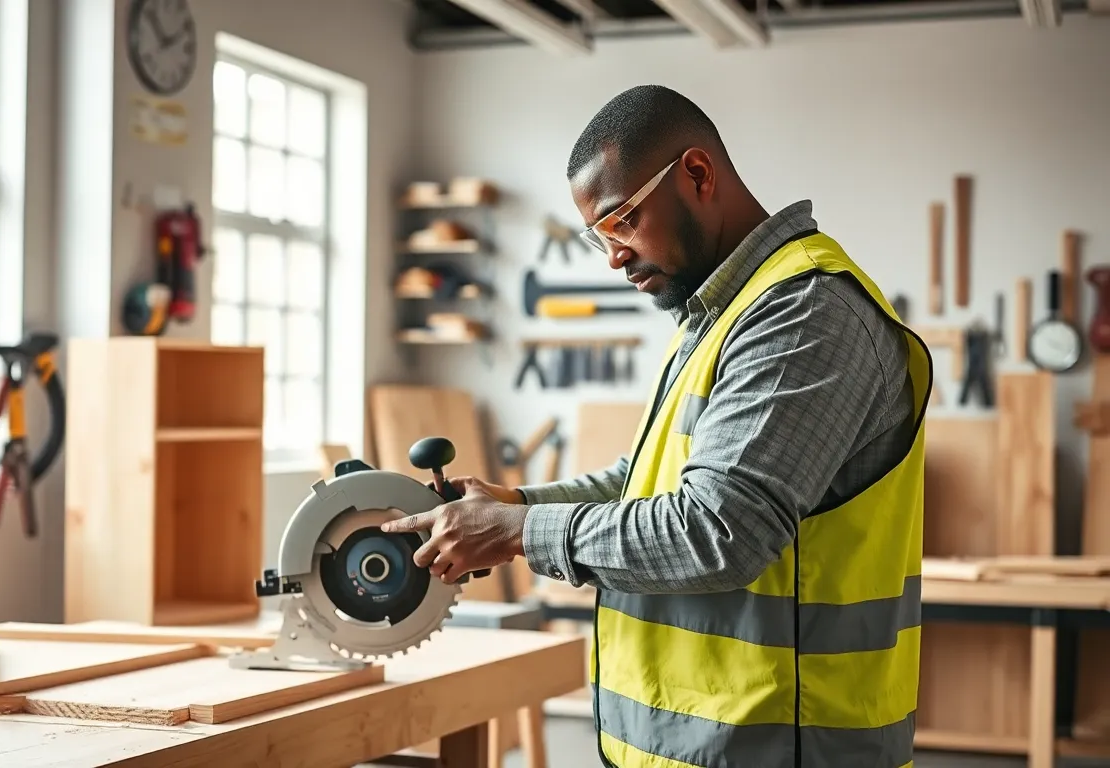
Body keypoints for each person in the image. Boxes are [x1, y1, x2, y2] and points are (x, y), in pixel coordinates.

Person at [382, 85, 934, 768]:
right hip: (706, 746)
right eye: (599, 237)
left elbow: (719, 530)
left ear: (697, 176)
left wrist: (521, 533)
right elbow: (645, 482)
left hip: (782, 746)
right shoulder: (716, 317)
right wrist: (516, 504)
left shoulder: (803, 312)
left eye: (622, 223)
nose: (613, 257)